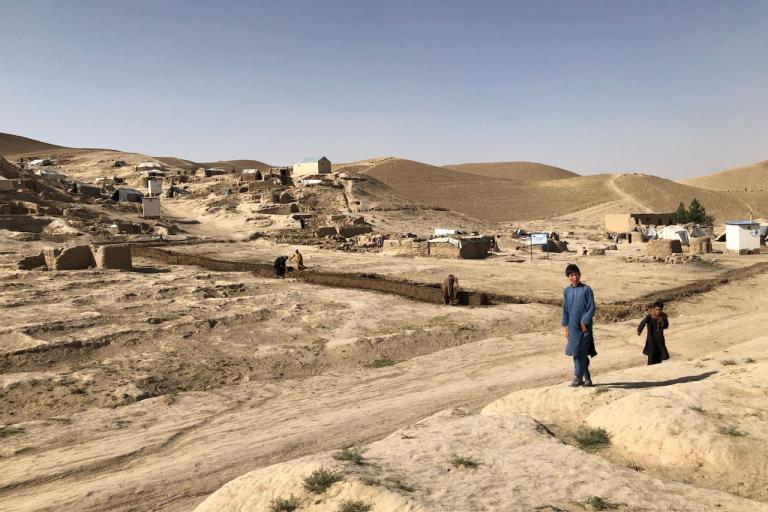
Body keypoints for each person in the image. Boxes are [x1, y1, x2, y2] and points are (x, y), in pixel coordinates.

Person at [562, 263, 596, 387]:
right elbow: (565, 309)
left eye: (576, 274)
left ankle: (577, 376)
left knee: (579, 352)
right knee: (578, 352)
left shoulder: (586, 289)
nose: (574, 277)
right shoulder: (567, 291)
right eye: (571, 275)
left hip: (585, 328)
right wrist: (567, 328)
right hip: (572, 327)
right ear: (568, 277)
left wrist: (584, 321)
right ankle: (587, 378)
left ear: (580, 275)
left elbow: (591, 307)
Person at [637, 300, 670, 365]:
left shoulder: (664, 316)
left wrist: (662, 323)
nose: (658, 311)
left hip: (660, 338)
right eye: (656, 309)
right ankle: (650, 366)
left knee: (659, 353)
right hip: (651, 338)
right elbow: (643, 322)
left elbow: (666, 326)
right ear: (654, 309)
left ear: (662, 309)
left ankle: (658, 366)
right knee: (651, 354)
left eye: (659, 309)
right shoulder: (650, 316)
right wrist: (639, 330)